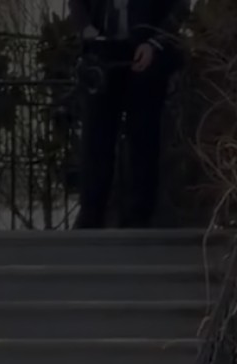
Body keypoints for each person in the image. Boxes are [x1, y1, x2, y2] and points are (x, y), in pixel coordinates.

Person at [70, 0, 190, 228]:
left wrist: (154, 43)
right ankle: (91, 213)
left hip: (146, 50)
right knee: (96, 137)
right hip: (102, 49)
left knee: (143, 135)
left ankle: (138, 215)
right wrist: (85, 29)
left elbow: (180, 6)